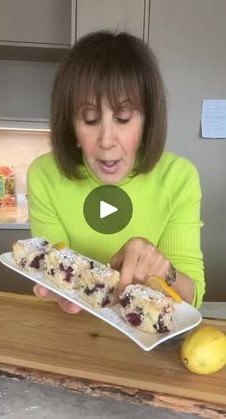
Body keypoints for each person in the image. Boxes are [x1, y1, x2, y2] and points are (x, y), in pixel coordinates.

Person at [27, 30, 205, 314]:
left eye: (123, 119)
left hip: (143, 337)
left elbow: (193, 299)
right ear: (71, 125)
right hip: (72, 330)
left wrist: (164, 271)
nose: (107, 140)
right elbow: (52, 270)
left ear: (147, 122)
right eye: (91, 119)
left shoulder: (179, 178)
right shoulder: (45, 175)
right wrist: (54, 286)